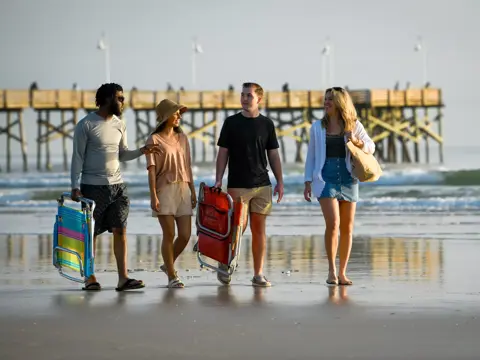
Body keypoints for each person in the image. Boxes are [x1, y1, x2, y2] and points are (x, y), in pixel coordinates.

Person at [70, 82, 161, 291]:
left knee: (121, 229)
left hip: (118, 186)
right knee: (91, 234)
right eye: (119, 98)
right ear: (108, 98)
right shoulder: (86, 124)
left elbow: (123, 154)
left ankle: (123, 278)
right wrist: (74, 185)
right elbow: (77, 157)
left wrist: (142, 150)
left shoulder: (120, 124)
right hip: (93, 187)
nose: (123, 102)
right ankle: (90, 277)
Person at [303, 87, 375, 286]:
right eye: (325, 99)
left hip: (348, 178)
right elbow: (311, 156)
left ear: (340, 103)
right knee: (333, 224)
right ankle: (331, 270)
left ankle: (343, 272)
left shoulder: (353, 125)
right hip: (325, 178)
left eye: (330, 100)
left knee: (348, 228)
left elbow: (371, 146)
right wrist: (307, 181)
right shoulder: (317, 127)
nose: (326, 103)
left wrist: (358, 141)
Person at [214, 82, 284, 287]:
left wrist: (280, 181)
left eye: (249, 96)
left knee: (259, 231)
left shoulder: (267, 124)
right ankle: (225, 264)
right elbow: (223, 153)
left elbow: (273, 154)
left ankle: (258, 273)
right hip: (237, 185)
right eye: (243, 95)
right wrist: (219, 178)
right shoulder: (231, 123)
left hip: (263, 185)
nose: (244, 99)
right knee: (236, 229)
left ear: (259, 99)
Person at [144, 99, 196, 289]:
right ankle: (172, 276)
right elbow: (151, 170)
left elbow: (187, 166)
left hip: (183, 188)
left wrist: (192, 190)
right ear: (166, 116)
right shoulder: (154, 140)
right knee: (169, 233)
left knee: (185, 234)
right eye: (176, 113)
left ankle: (167, 265)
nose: (179, 116)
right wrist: (153, 196)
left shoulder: (183, 138)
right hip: (163, 189)